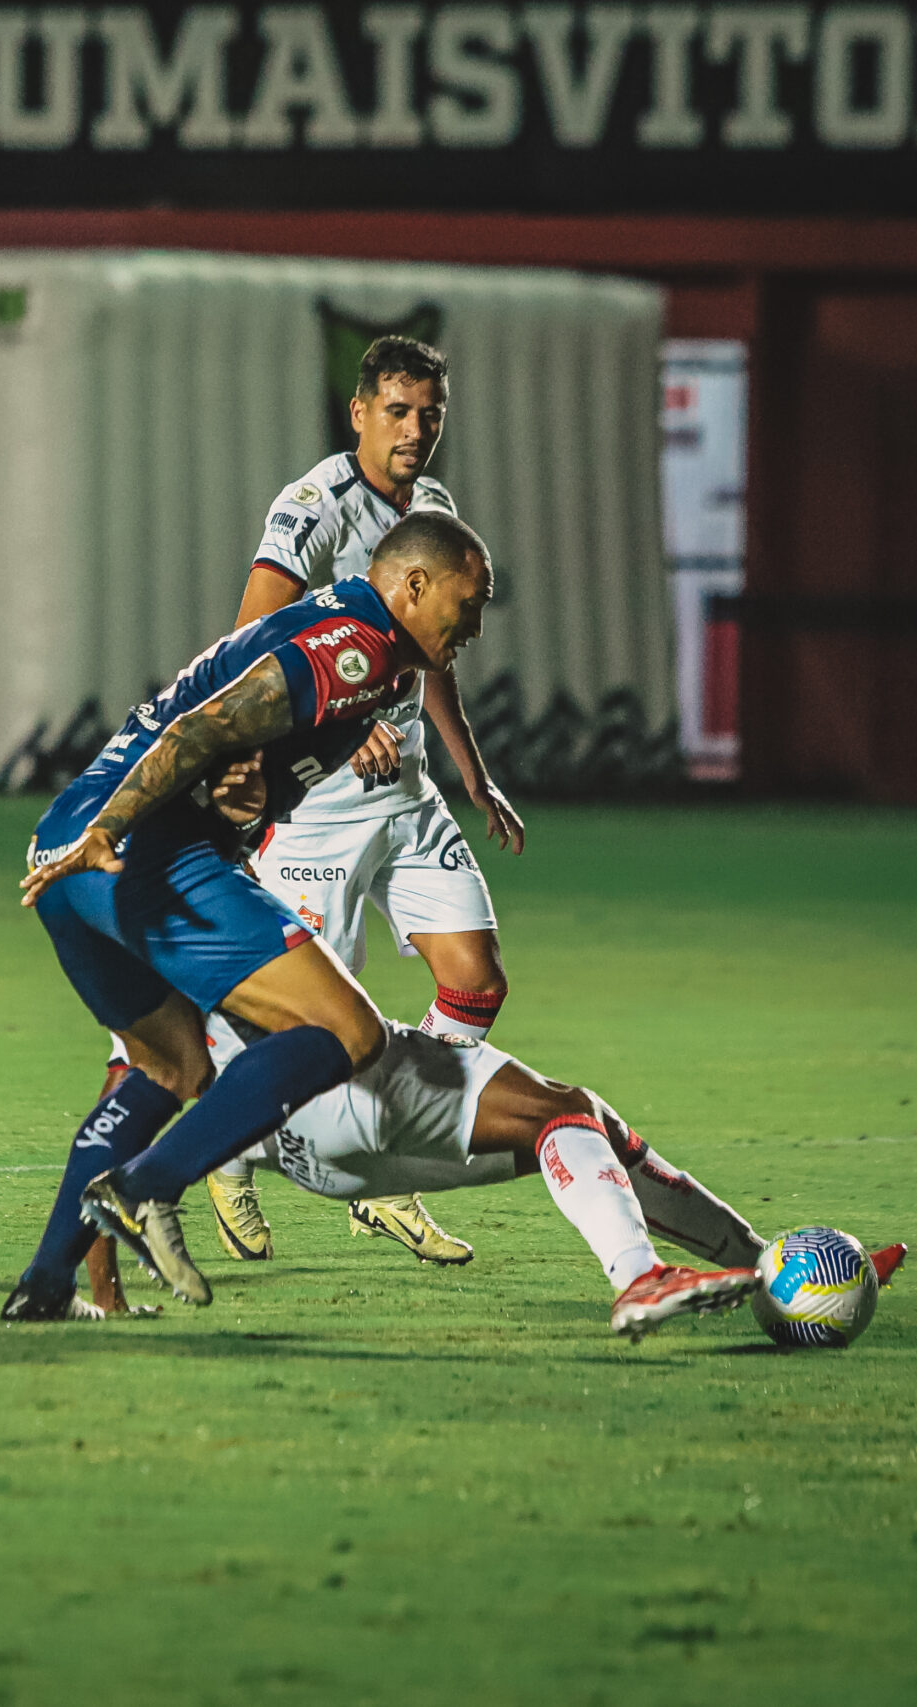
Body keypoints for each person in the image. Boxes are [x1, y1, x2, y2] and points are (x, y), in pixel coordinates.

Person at [3, 512, 492, 1322]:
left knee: (173, 1068)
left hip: (68, 853)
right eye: (467, 603)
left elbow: (241, 777)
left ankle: (45, 1286)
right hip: (124, 848)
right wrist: (111, 830)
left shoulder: (385, 675)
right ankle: (145, 1186)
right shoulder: (355, 647)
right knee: (348, 1031)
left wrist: (241, 802)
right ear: (412, 586)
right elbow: (204, 726)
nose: (473, 625)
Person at [197, 333, 528, 1271]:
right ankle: (236, 1150)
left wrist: (471, 766)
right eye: (398, 410)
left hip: (409, 793)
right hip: (321, 809)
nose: (416, 429)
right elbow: (251, 651)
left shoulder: (434, 508)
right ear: (358, 414)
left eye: (431, 413)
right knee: (309, 1029)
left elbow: (431, 655)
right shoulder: (308, 510)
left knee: (476, 980)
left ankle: (391, 1178)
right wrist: (331, 727)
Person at [195, 1015, 906, 1338]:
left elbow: (146, 1074)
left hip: (304, 1142)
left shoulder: (191, 886)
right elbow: (470, 974)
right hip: (346, 1083)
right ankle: (639, 1274)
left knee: (584, 1117)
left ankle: (773, 1269)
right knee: (559, 1111)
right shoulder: (307, 824)